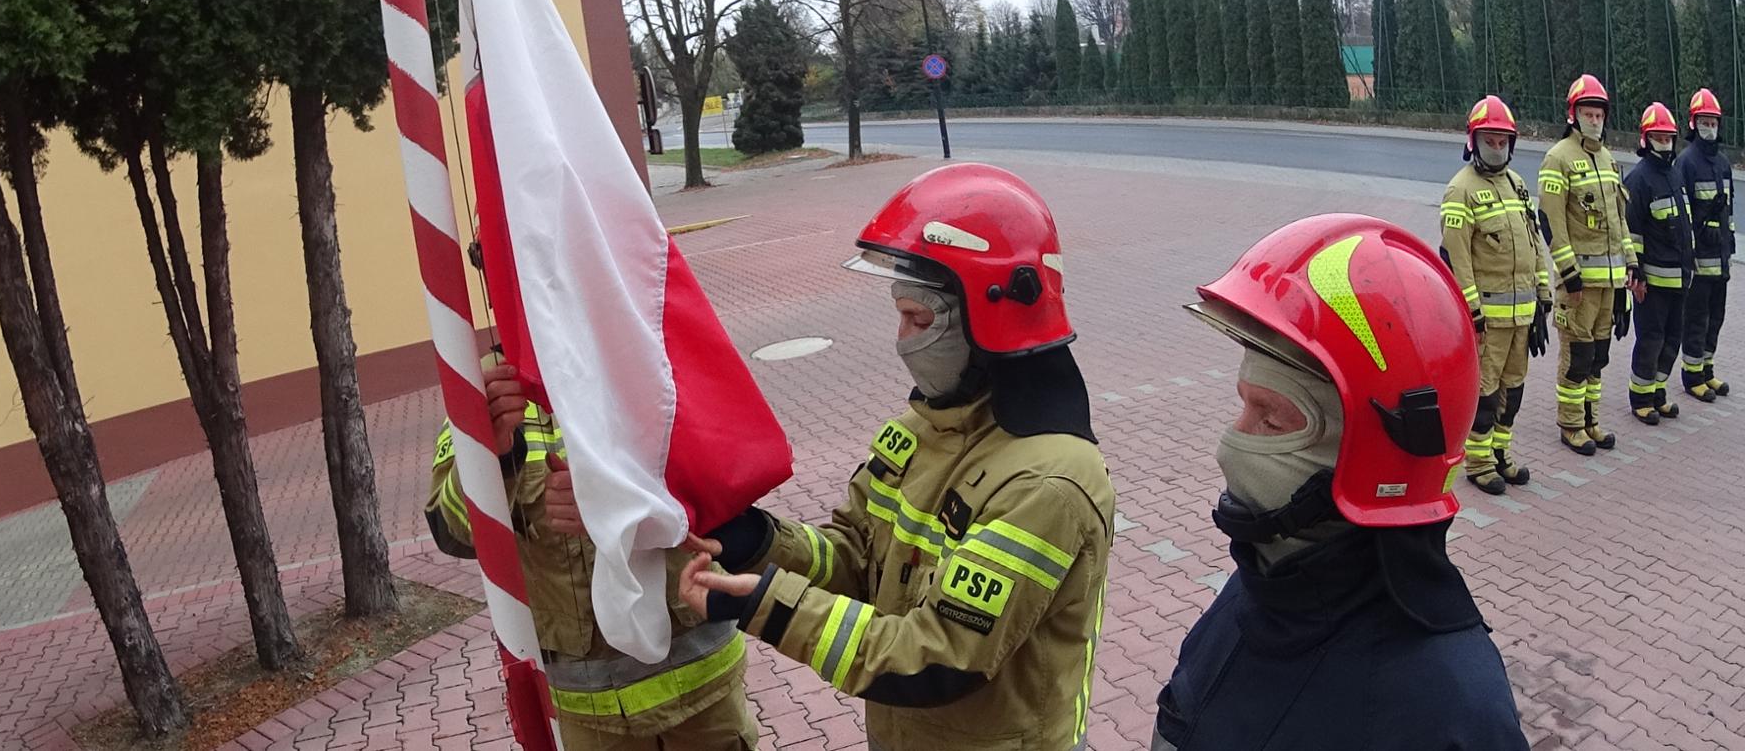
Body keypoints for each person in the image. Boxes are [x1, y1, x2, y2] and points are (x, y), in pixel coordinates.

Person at [674, 163, 1116, 750]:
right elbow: (855, 561)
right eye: (900, 315)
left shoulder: (1048, 481)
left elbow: (936, 659)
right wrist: (756, 539)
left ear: (990, 319)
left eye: (919, 319)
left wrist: (767, 607)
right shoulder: (919, 431)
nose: (903, 340)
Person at [1152, 214, 1529, 751]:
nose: (1228, 447)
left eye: (1273, 419)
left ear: (1372, 460)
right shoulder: (1261, 589)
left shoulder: (1451, 712)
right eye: (1244, 407)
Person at [426, 355, 759, 751]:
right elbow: (453, 533)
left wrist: (620, 502)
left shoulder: (638, 344)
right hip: (591, 711)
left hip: (702, 688)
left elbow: (725, 480)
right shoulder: (490, 389)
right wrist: (495, 458)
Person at [1440, 95, 1552, 495]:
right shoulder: (1460, 192)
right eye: (1489, 139)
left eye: (1503, 141)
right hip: (1488, 319)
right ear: (1473, 141)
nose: (1497, 147)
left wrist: (1544, 294)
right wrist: (1472, 313)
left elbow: (1535, 241)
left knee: (1514, 391)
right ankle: (1480, 463)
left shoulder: (1518, 185)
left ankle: (1502, 455)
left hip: (1523, 315)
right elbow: (1458, 259)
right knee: (1484, 396)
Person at [1538, 74, 1638, 455]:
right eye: (1587, 112)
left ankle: (1592, 419)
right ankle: (1571, 424)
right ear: (1573, 114)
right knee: (1576, 357)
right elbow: (1552, 222)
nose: (1594, 119)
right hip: (1578, 285)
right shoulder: (1558, 158)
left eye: (1598, 113)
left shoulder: (1609, 159)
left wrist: (1632, 265)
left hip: (1610, 283)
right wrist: (1568, 273)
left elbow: (1619, 221)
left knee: (1598, 356)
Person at [1623, 103, 1696, 424]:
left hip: (1680, 278)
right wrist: (1635, 274)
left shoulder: (1675, 173)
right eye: (1658, 138)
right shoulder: (1639, 179)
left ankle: (1658, 392)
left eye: (1668, 139)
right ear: (1645, 139)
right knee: (1650, 339)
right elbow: (1632, 232)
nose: (1664, 144)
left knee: (1672, 339)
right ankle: (1640, 398)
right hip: (1652, 282)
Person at [1675, 87, 1735, 402]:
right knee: (1696, 319)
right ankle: (1692, 374)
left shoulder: (1723, 163)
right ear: (1693, 123)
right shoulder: (1686, 162)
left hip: (1721, 257)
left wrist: (1730, 239)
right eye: (1704, 122)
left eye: (1713, 121)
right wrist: (1692, 247)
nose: (1709, 127)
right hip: (1699, 260)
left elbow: (1728, 210)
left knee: (1717, 317)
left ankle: (1707, 369)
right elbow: (1683, 214)